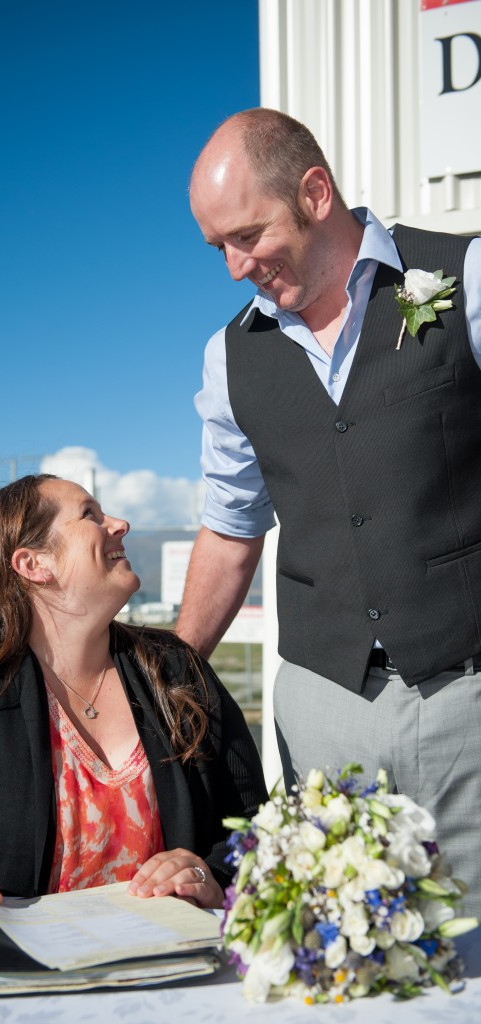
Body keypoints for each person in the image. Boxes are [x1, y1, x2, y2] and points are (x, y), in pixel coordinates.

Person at [175, 107, 481, 916]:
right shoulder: (229, 357)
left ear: (314, 192)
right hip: (322, 709)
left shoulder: (465, 276)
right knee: (338, 958)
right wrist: (168, 672)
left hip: (466, 698)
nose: (236, 268)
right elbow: (229, 530)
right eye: (219, 249)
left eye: (247, 236)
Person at [0, 474, 267, 937]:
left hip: (172, 977)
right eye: (90, 515)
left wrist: (210, 874)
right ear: (33, 563)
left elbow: (259, 832)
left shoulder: (179, 673)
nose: (120, 524)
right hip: (21, 989)